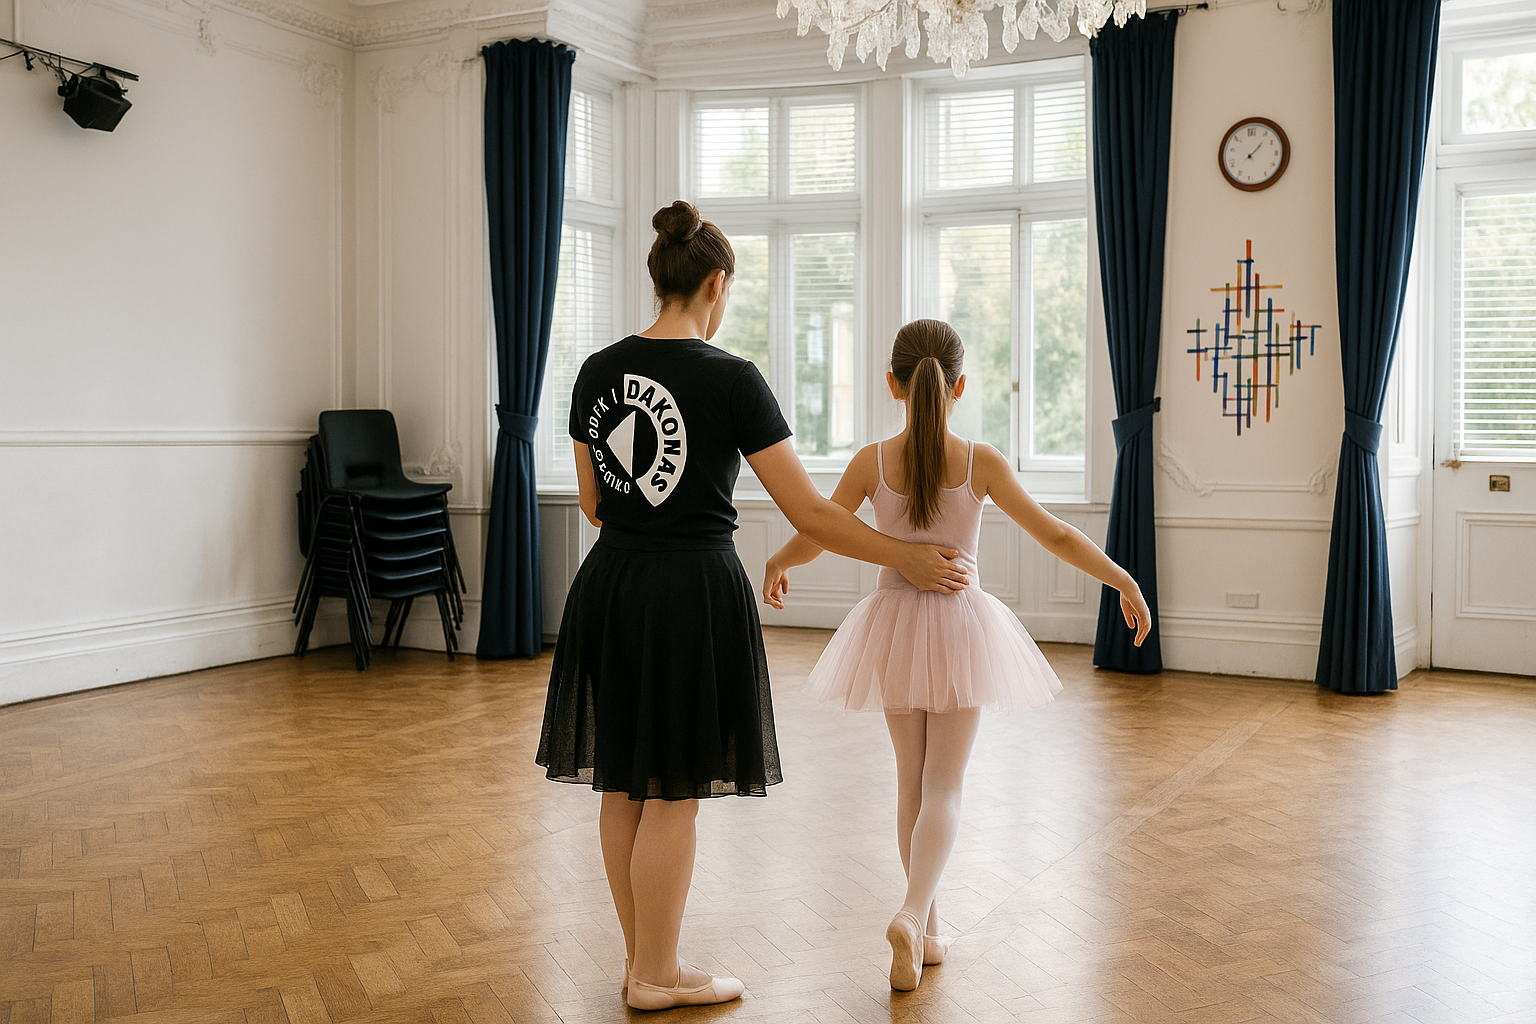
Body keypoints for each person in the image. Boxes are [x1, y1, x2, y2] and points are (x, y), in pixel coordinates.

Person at [536, 203, 970, 1011]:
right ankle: (657, 976)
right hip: (689, 593)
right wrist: (904, 554)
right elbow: (810, 513)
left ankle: (646, 965)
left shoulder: (596, 371)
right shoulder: (732, 380)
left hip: (611, 585)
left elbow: (594, 502)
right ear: (716, 284)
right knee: (673, 790)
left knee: (623, 785)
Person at [764, 318, 1152, 992]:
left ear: (892, 383)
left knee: (910, 781)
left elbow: (819, 528)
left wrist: (777, 559)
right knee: (945, 784)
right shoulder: (979, 461)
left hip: (891, 625)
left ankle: (927, 932)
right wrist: (1122, 578)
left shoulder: (870, 461)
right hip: (961, 627)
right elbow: (1057, 534)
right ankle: (917, 918)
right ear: (960, 385)